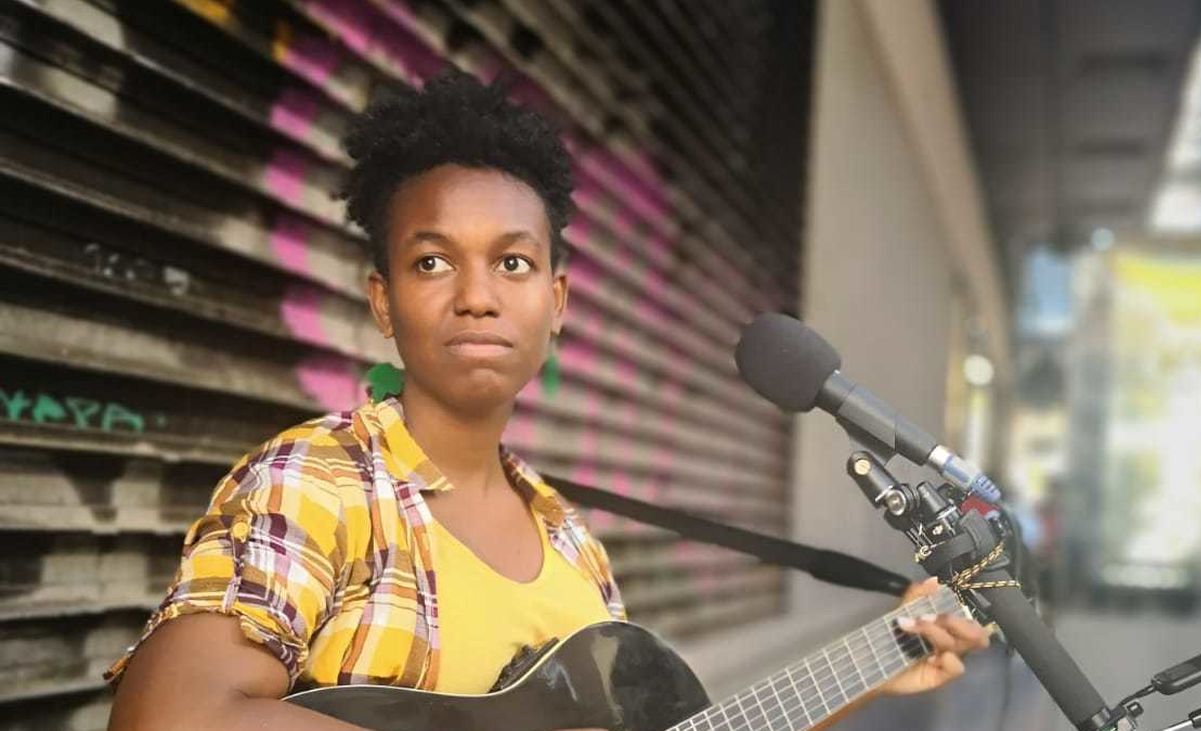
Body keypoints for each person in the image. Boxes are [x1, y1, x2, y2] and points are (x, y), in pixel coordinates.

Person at [104, 70, 989, 731]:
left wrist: (880, 663)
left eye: (514, 262)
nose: (478, 295)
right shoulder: (320, 482)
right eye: (433, 260)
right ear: (383, 300)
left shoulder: (575, 544)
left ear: (557, 303)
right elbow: (169, 714)